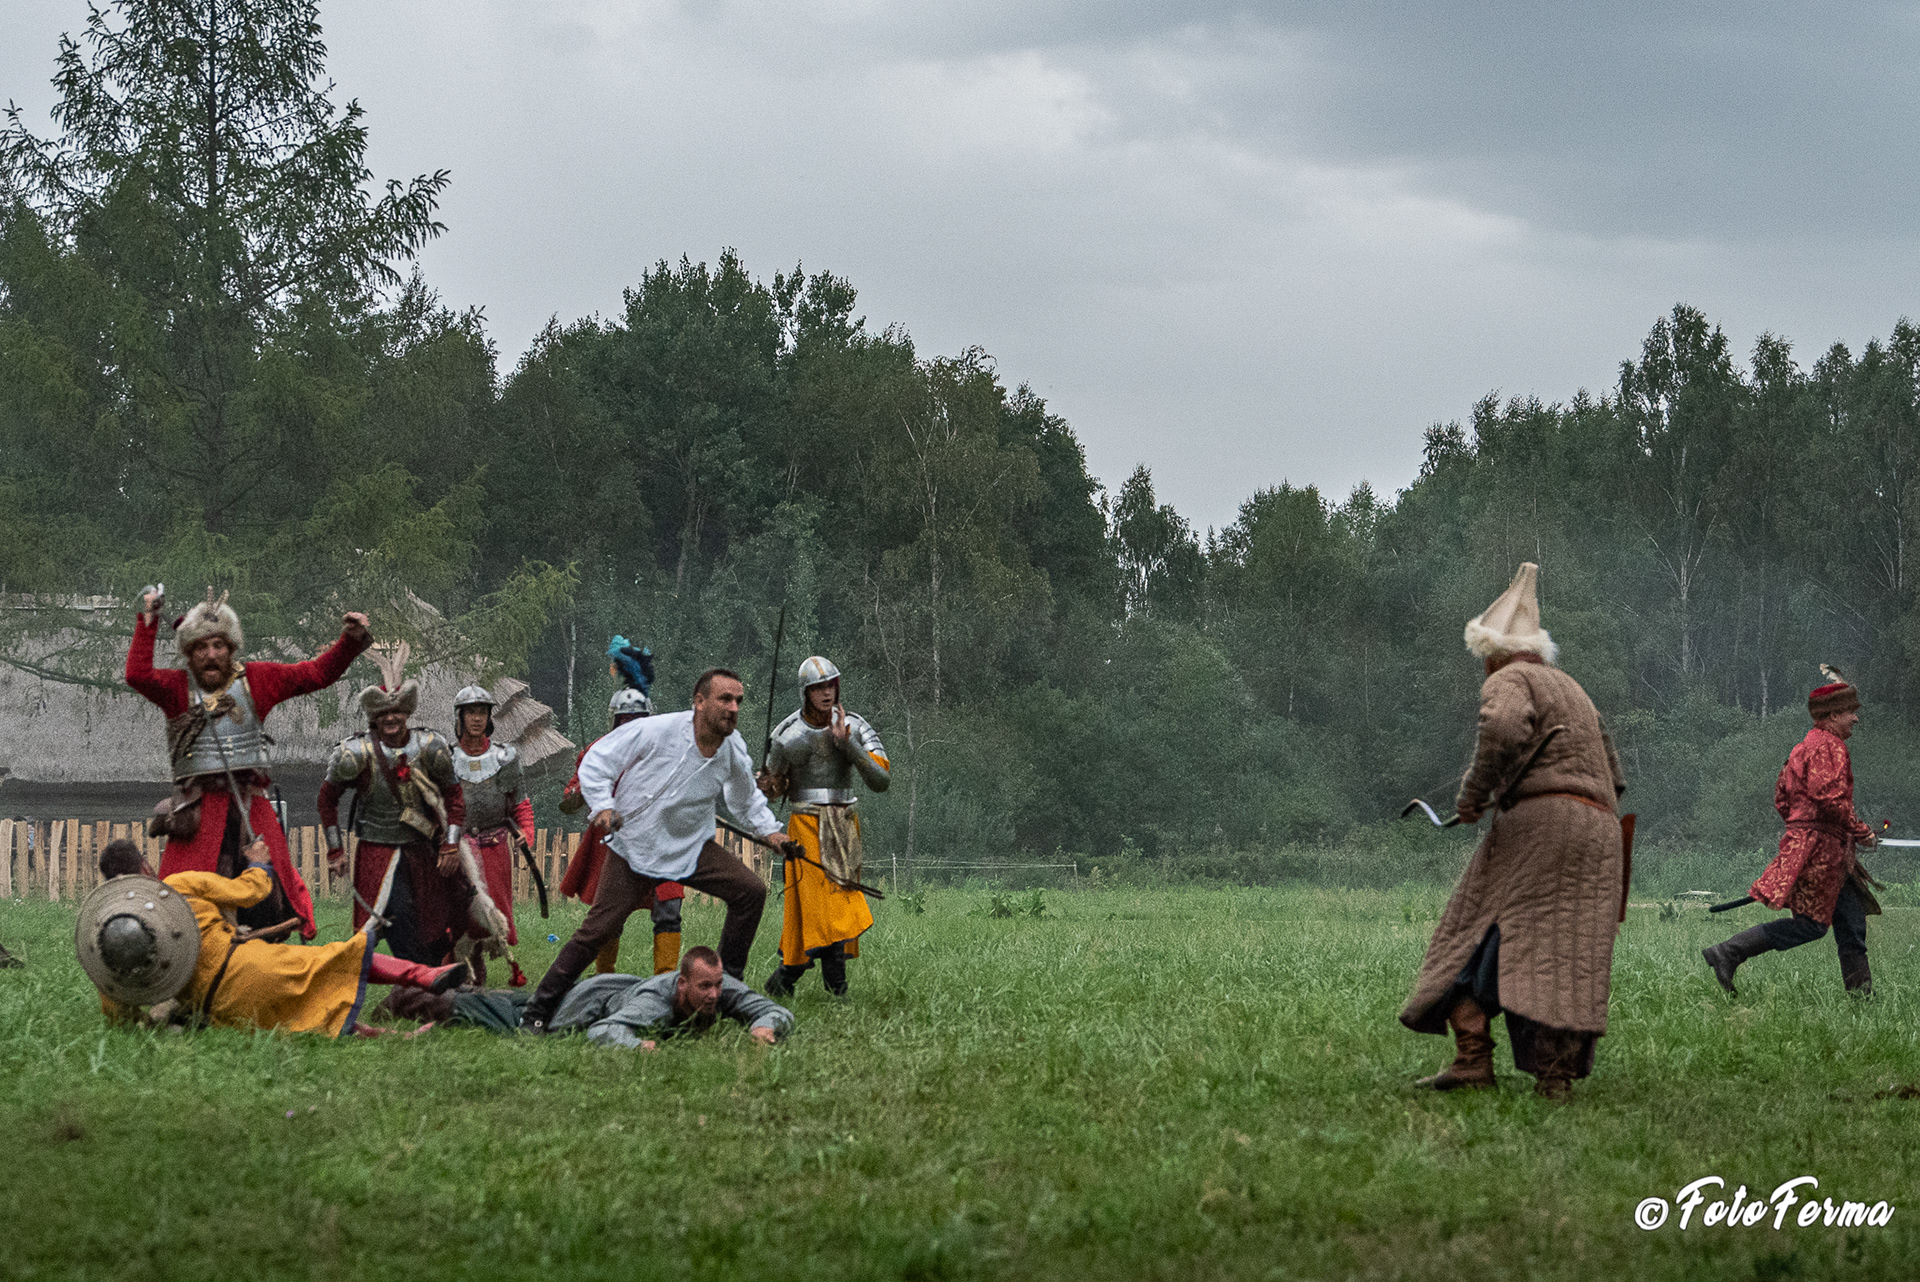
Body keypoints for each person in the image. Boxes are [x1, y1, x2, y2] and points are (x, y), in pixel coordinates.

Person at [1400, 563, 1628, 1101]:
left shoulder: (1508, 679)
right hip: (1600, 833)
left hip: (1539, 829)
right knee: (1562, 954)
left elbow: (1502, 728)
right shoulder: (1573, 689)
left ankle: (1473, 1058)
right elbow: (1614, 775)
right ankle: (1555, 1077)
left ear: (1492, 654)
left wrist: (1474, 796)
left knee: (1468, 935)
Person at [517, 668, 798, 1033]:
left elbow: (745, 799)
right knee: (597, 930)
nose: (733, 708)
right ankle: (537, 1012)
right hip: (636, 846)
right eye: (725, 699)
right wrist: (603, 805)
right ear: (699, 702)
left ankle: (725, 992)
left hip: (690, 847)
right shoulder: (655, 730)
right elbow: (597, 759)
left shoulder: (732, 748)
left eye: (738, 701)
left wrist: (770, 832)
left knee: (750, 891)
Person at [125, 586, 370, 938]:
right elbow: (137, 675)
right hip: (198, 815)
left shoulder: (256, 680)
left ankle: (264, 951)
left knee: (269, 899)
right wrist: (149, 619)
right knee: (182, 908)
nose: (211, 655)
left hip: (250, 807)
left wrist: (349, 641)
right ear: (189, 653)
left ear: (231, 648)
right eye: (201, 647)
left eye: (218, 646)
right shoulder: (176, 688)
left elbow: (315, 674)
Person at [87, 838, 464, 1037]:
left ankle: (395, 1037)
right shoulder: (177, 886)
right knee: (338, 957)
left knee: (308, 1021)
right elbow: (250, 891)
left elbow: (120, 1014)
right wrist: (258, 861)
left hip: (221, 1008)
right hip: (248, 964)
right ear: (146, 866)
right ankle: (424, 975)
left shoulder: (113, 942)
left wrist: (154, 1022)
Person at [1703, 678, 1880, 996]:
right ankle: (1729, 952)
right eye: (1850, 712)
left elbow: (1782, 800)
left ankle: (1863, 1001)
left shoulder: (1803, 747)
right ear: (1833, 715)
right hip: (1822, 854)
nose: (1856, 718)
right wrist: (1859, 830)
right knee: (1810, 925)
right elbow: (1827, 796)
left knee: (1851, 921)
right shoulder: (1829, 746)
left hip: (1822, 850)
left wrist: (1803, 831)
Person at [317, 644, 479, 965]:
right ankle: (410, 977)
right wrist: (335, 850)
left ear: (407, 713)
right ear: (373, 718)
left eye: (396, 712)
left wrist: (450, 846)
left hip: (423, 850)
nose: (390, 718)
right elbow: (326, 800)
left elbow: (454, 797)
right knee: (394, 917)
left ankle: (428, 976)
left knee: (433, 920)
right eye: (382, 714)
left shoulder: (430, 747)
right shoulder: (355, 753)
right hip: (377, 852)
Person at [758, 655, 889, 998]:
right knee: (824, 911)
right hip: (805, 825)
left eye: (831, 685)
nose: (827, 693)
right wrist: (767, 785)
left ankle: (786, 977)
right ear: (806, 692)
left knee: (835, 907)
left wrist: (849, 745)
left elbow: (881, 780)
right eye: (818, 687)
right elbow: (773, 790)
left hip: (844, 826)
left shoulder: (855, 725)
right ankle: (837, 993)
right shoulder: (786, 736)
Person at [382, 945, 792, 1049]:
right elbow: (603, 1032)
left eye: (718, 986)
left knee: (521, 1001)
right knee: (506, 1019)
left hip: (609, 989)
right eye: (705, 988)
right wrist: (635, 1046)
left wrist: (764, 1026)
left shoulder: (719, 985)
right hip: (589, 1004)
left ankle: (469, 992)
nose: (715, 995)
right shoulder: (654, 1003)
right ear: (682, 984)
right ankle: (404, 998)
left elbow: (774, 1009)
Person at [557, 685, 686, 976]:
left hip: (656, 840)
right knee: (610, 917)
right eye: (624, 719)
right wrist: (579, 792)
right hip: (614, 844)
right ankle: (604, 976)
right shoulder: (596, 751)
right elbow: (571, 797)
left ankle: (664, 980)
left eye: (637, 719)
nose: (630, 725)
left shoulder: (665, 751)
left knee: (668, 908)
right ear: (615, 721)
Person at [451, 685, 535, 986]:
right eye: (471, 712)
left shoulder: (505, 757)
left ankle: (478, 972)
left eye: (482, 712)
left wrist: (526, 831)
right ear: (460, 717)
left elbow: (520, 803)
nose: (477, 718)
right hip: (459, 847)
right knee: (459, 912)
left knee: (491, 915)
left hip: (494, 844)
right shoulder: (446, 759)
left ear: (489, 718)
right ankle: (464, 973)